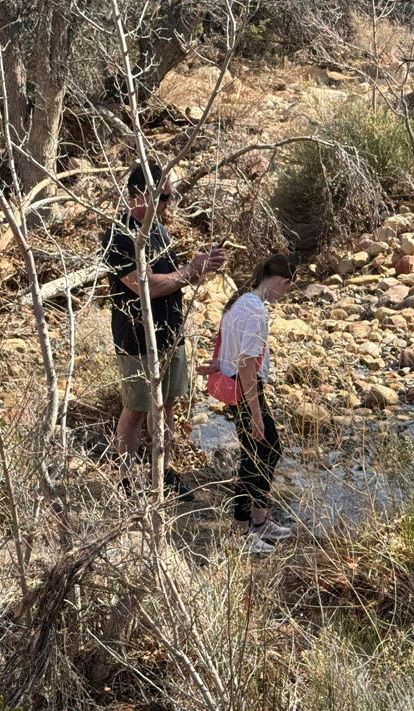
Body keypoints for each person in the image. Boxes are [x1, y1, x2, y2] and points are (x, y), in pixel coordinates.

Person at [102, 162, 225, 493]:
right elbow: (144, 286)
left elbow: (172, 280)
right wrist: (190, 270)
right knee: (137, 408)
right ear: (141, 195)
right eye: (165, 196)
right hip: (138, 338)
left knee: (168, 402)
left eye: (169, 197)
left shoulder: (158, 229)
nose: (170, 203)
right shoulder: (119, 234)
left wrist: (201, 268)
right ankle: (127, 478)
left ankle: (163, 471)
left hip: (171, 334)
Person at [216, 254, 294, 553]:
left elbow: (226, 345)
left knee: (265, 451)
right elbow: (247, 363)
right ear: (281, 281)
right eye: (286, 288)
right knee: (260, 454)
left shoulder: (240, 301)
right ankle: (240, 532)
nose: (283, 294)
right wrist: (256, 414)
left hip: (236, 383)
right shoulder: (255, 310)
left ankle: (259, 521)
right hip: (246, 386)